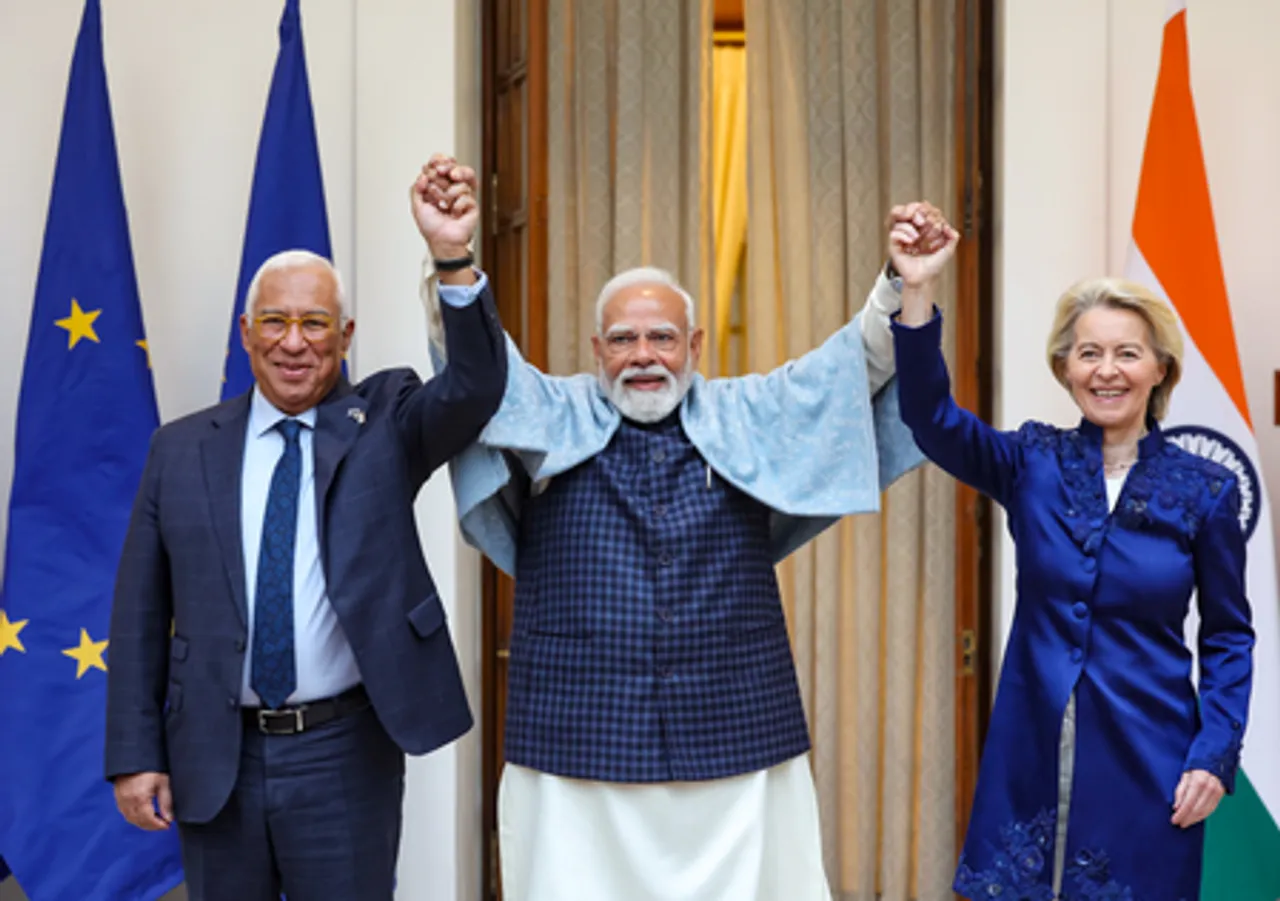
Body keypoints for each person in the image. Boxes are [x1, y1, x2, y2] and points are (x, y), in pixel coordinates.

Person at [420, 158, 940, 900]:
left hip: (735, 736)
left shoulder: (748, 411)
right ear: (597, 351)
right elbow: (474, 371)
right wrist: (452, 256)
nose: (643, 356)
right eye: (624, 340)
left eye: (662, 338)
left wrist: (901, 281)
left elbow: (852, 367)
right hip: (576, 738)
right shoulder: (549, 410)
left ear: (695, 347)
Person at [104, 156, 507, 901]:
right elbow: (137, 613)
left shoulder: (388, 419)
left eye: (315, 322)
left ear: (345, 332)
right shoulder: (180, 447)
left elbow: (478, 386)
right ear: (247, 332)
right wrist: (134, 753)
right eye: (276, 322)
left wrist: (452, 255)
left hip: (343, 750)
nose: (295, 341)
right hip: (214, 754)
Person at [889, 213, 1254, 900]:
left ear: (1160, 368)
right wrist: (916, 291)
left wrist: (1214, 752)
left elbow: (1230, 635)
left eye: (1126, 353)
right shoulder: (1031, 461)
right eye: (1088, 353)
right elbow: (930, 417)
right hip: (1029, 753)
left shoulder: (1206, 491)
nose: (1106, 370)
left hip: (1151, 761)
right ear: (1064, 367)